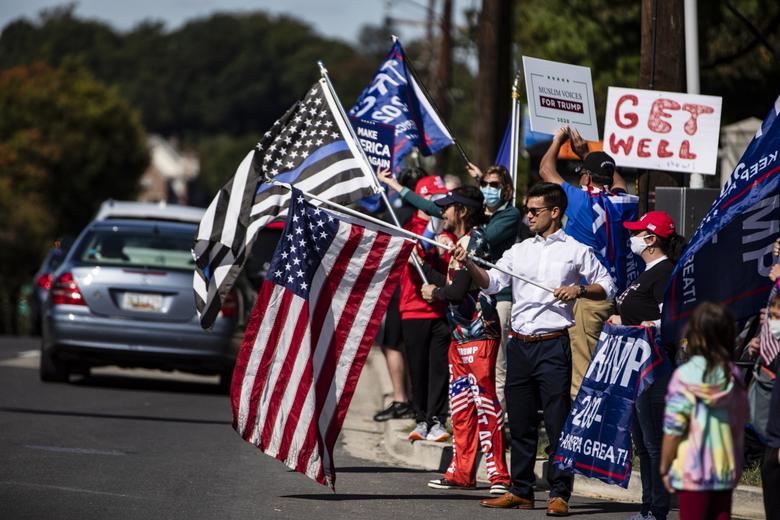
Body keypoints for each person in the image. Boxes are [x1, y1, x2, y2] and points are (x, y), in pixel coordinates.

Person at [453, 182, 616, 515]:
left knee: (556, 422)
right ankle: (521, 490)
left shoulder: (575, 249)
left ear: (554, 213)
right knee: (522, 421)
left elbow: (608, 286)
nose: (528, 216)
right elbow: (493, 283)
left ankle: (559, 493)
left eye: (534, 211)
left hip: (553, 345)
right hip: (520, 345)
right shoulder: (520, 250)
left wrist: (579, 289)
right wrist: (468, 264)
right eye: (527, 210)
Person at [380, 165, 521, 408]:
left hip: (496, 299)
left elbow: (456, 286)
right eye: (484, 185)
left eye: (494, 186)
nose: (442, 213)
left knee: (492, 371)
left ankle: (494, 425)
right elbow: (430, 207)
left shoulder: (490, 228)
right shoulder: (473, 223)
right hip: (469, 306)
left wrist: (434, 291)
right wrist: (393, 184)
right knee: (465, 375)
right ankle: (468, 429)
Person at [416, 186, 511, 494]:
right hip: (459, 335)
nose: (442, 212)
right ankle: (461, 471)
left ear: (463, 211)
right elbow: (452, 285)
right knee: (462, 407)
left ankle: (499, 476)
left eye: (447, 207)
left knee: (485, 405)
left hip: (480, 335)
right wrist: (422, 266)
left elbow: (458, 292)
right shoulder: (459, 242)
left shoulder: (477, 241)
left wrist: (435, 294)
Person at [539, 126, 639, 399]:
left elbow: (546, 170)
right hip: (618, 295)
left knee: (583, 374)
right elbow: (619, 183)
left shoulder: (580, 201)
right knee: (610, 368)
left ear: (585, 177)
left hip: (588, 297)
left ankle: (581, 434)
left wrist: (558, 140)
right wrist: (590, 155)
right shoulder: (625, 203)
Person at [608, 210, 686, 520]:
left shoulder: (665, 271)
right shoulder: (648, 271)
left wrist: (643, 324)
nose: (633, 237)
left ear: (651, 239)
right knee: (642, 443)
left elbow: (670, 320)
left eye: (638, 232)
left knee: (653, 443)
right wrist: (622, 321)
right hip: (635, 367)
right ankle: (646, 507)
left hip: (655, 368)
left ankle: (658, 509)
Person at [660, 302, 749, 520]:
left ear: (695, 334)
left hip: (692, 470)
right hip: (724, 468)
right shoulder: (733, 374)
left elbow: (674, 428)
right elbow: (739, 425)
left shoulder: (684, 376)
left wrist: (665, 465)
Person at [398, 175, 454, 442]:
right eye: (436, 198)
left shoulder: (448, 230)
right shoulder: (409, 227)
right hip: (413, 310)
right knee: (418, 369)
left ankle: (437, 421)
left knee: (439, 369)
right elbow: (416, 252)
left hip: (441, 310)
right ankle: (421, 419)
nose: (441, 204)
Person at [372, 168, 425, 422]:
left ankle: (402, 398)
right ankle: (415, 398)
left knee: (393, 343)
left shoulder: (397, 215)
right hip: (420, 291)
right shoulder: (429, 214)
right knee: (413, 346)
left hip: (400, 288)